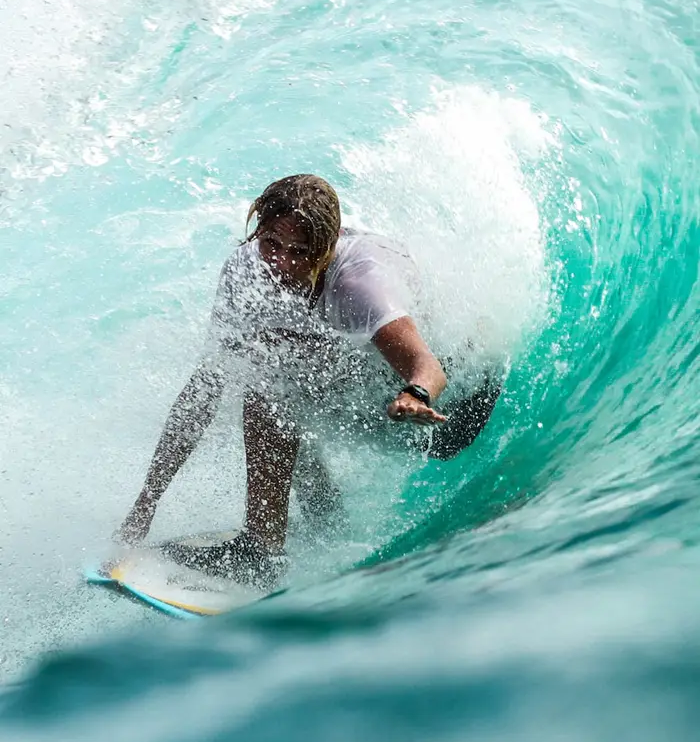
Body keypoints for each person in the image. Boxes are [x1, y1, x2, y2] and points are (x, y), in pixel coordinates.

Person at [118, 174, 501, 587]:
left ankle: (281, 538)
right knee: (265, 371)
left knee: (276, 381)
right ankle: (285, 537)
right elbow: (202, 393)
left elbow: (428, 366)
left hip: (448, 414)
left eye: (300, 251)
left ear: (328, 245)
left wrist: (415, 394)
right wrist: (146, 503)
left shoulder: (360, 284)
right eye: (271, 244)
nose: (281, 263)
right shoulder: (246, 271)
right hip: (367, 393)